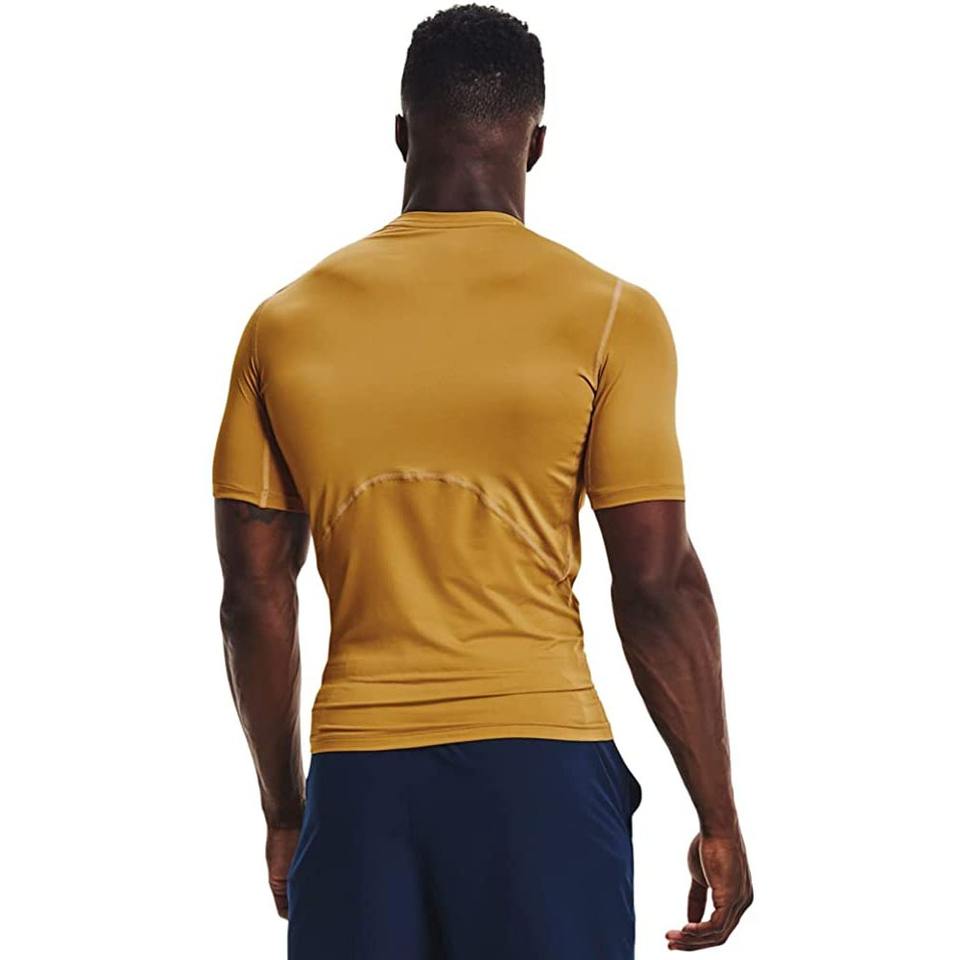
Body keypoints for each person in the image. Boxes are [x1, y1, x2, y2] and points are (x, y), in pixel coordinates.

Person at [212, 4, 752, 957]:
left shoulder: (282, 325)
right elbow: (658, 583)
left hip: (360, 780)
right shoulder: (612, 314)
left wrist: (287, 811)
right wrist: (717, 813)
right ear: (536, 144)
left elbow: (254, 599)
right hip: (543, 775)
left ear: (400, 134)